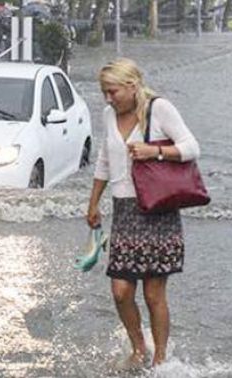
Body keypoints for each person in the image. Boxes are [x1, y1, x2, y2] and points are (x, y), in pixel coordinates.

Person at [86, 58, 200, 368]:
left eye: (113, 92)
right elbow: (104, 160)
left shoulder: (159, 108)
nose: (108, 98)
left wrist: (156, 151)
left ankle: (160, 360)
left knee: (153, 293)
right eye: (104, 93)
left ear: (132, 86)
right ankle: (139, 349)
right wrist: (93, 202)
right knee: (121, 291)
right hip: (123, 211)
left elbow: (192, 147)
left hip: (157, 210)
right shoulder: (109, 114)